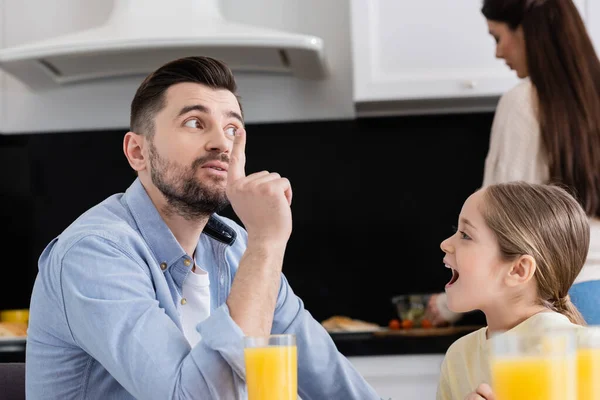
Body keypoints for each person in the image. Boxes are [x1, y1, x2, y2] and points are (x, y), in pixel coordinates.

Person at [25, 56, 381, 400]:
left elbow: (330, 379)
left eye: (231, 128)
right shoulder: (93, 253)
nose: (221, 143)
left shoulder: (236, 245)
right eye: (195, 122)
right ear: (137, 152)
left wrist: (259, 245)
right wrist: (268, 242)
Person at [427, 0, 600, 327]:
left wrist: (452, 304)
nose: (497, 53)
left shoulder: (523, 102)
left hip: (565, 305)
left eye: (497, 37)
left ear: (529, 31)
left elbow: (497, 222)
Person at [436, 181, 588, 400]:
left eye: (466, 235)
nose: (445, 243)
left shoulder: (583, 352)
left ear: (518, 270)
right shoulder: (459, 356)